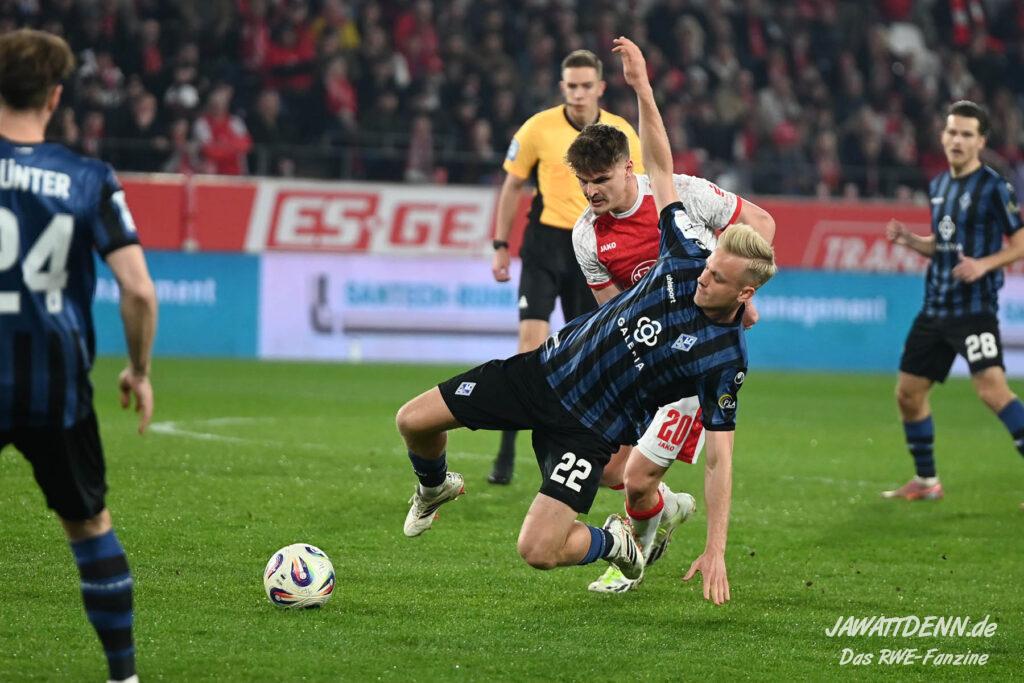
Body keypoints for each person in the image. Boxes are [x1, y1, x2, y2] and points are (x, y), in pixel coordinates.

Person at [395, 36, 776, 605]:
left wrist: (716, 547)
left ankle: (618, 543)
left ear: (742, 290)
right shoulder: (679, 250)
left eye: (718, 275)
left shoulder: (724, 358)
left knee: (544, 543)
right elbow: (660, 165)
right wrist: (642, 86)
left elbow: (722, 458)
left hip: (593, 421)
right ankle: (434, 486)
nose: (705, 273)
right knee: (413, 420)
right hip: (544, 372)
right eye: (710, 263)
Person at [0, 29, 157, 683]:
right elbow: (138, 290)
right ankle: (123, 676)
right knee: (89, 524)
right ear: (55, 97)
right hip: (54, 382)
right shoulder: (88, 178)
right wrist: (138, 370)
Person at [568, 124, 776, 592]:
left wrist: (741, 294)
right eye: (583, 181)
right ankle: (670, 507)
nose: (591, 191)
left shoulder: (681, 195)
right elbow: (615, 312)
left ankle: (631, 562)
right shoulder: (587, 236)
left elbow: (761, 223)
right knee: (609, 470)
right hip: (646, 359)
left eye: (600, 179)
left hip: (692, 363)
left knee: (637, 478)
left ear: (628, 168)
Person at [487, 49, 644, 485]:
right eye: (571, 86)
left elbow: (640, 189)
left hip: (592, 247)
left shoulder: (620, 133)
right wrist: (501, 245)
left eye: (585, 86)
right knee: (528, 347)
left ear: (600, 88)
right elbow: (512, 186)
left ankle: (584, 450)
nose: (578, 93)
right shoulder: (537, 128)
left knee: (588, 356)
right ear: (562, 87)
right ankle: (506, 452)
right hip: (544, 245)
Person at [883, 100, 1024, 502]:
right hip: (935, 308)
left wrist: (984, 264)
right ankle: (927, 482)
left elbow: (1020, 243)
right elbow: (942, 244)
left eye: (966, 134)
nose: (957, 140)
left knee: (992, 391)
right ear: (943, 136)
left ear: (981, 142)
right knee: (908, 393)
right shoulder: (939, 185)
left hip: (974, 310)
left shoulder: (994, 187)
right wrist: (911, 241)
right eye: (952, 132)